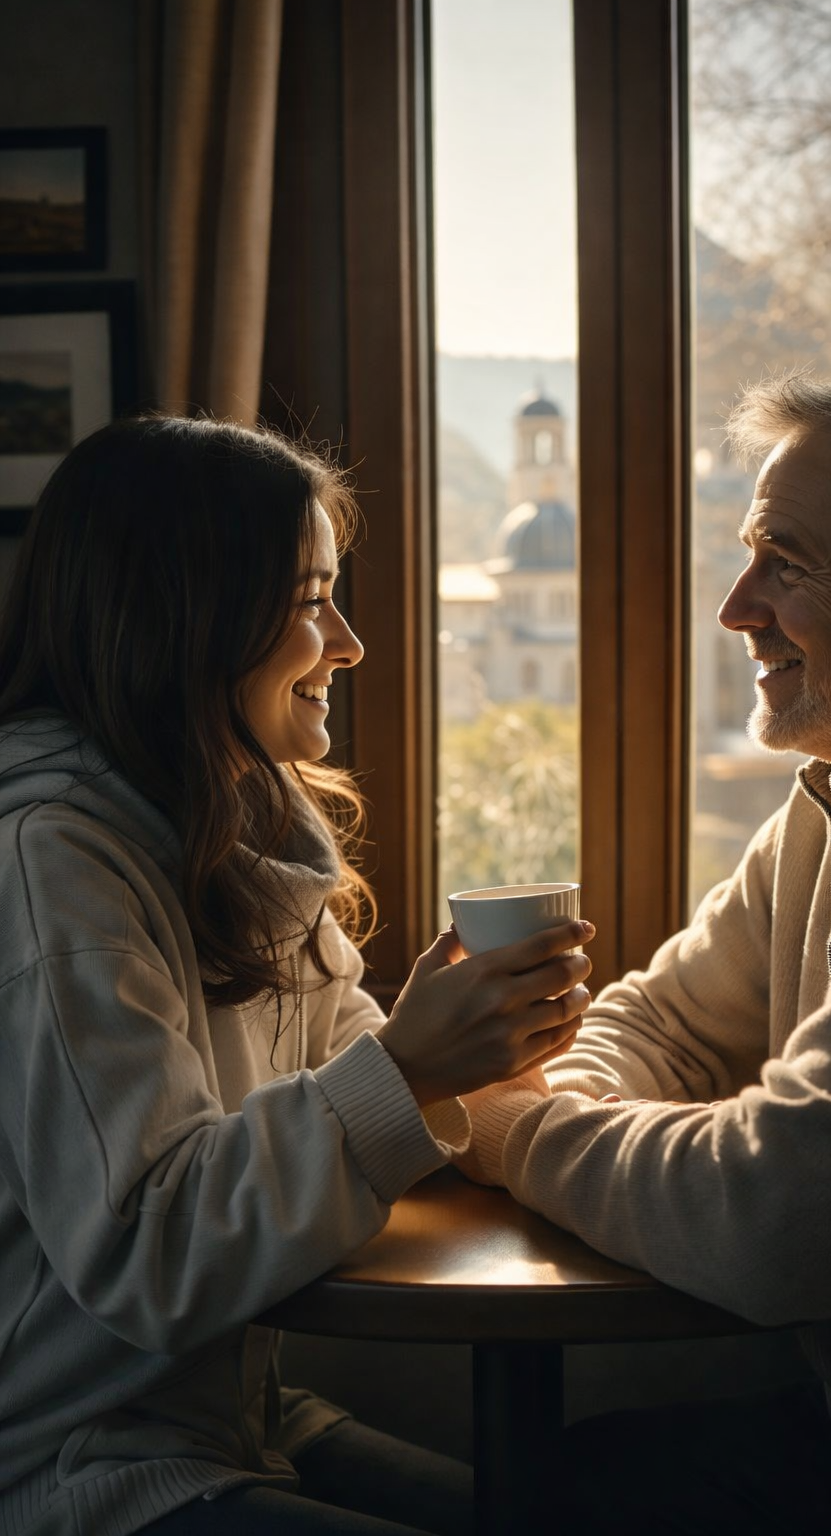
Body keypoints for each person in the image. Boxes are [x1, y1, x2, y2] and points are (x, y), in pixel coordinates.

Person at [0, 413, 594, 1536]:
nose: (353, 642)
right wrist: (411, 1068)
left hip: (237, 1416)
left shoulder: (239, 834)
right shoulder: (53, 864)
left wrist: (485, 1060)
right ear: (188, 613)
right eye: (312, 598)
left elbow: (349, 1069)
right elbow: (147, 1253)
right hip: (79, 1462)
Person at [456, 360, 831, 1533]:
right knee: (553, 1487)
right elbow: (661, 1017)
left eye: (785, 561)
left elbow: (786, 1215)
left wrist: (515, 1130)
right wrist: (573, 1092)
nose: (733, 608)